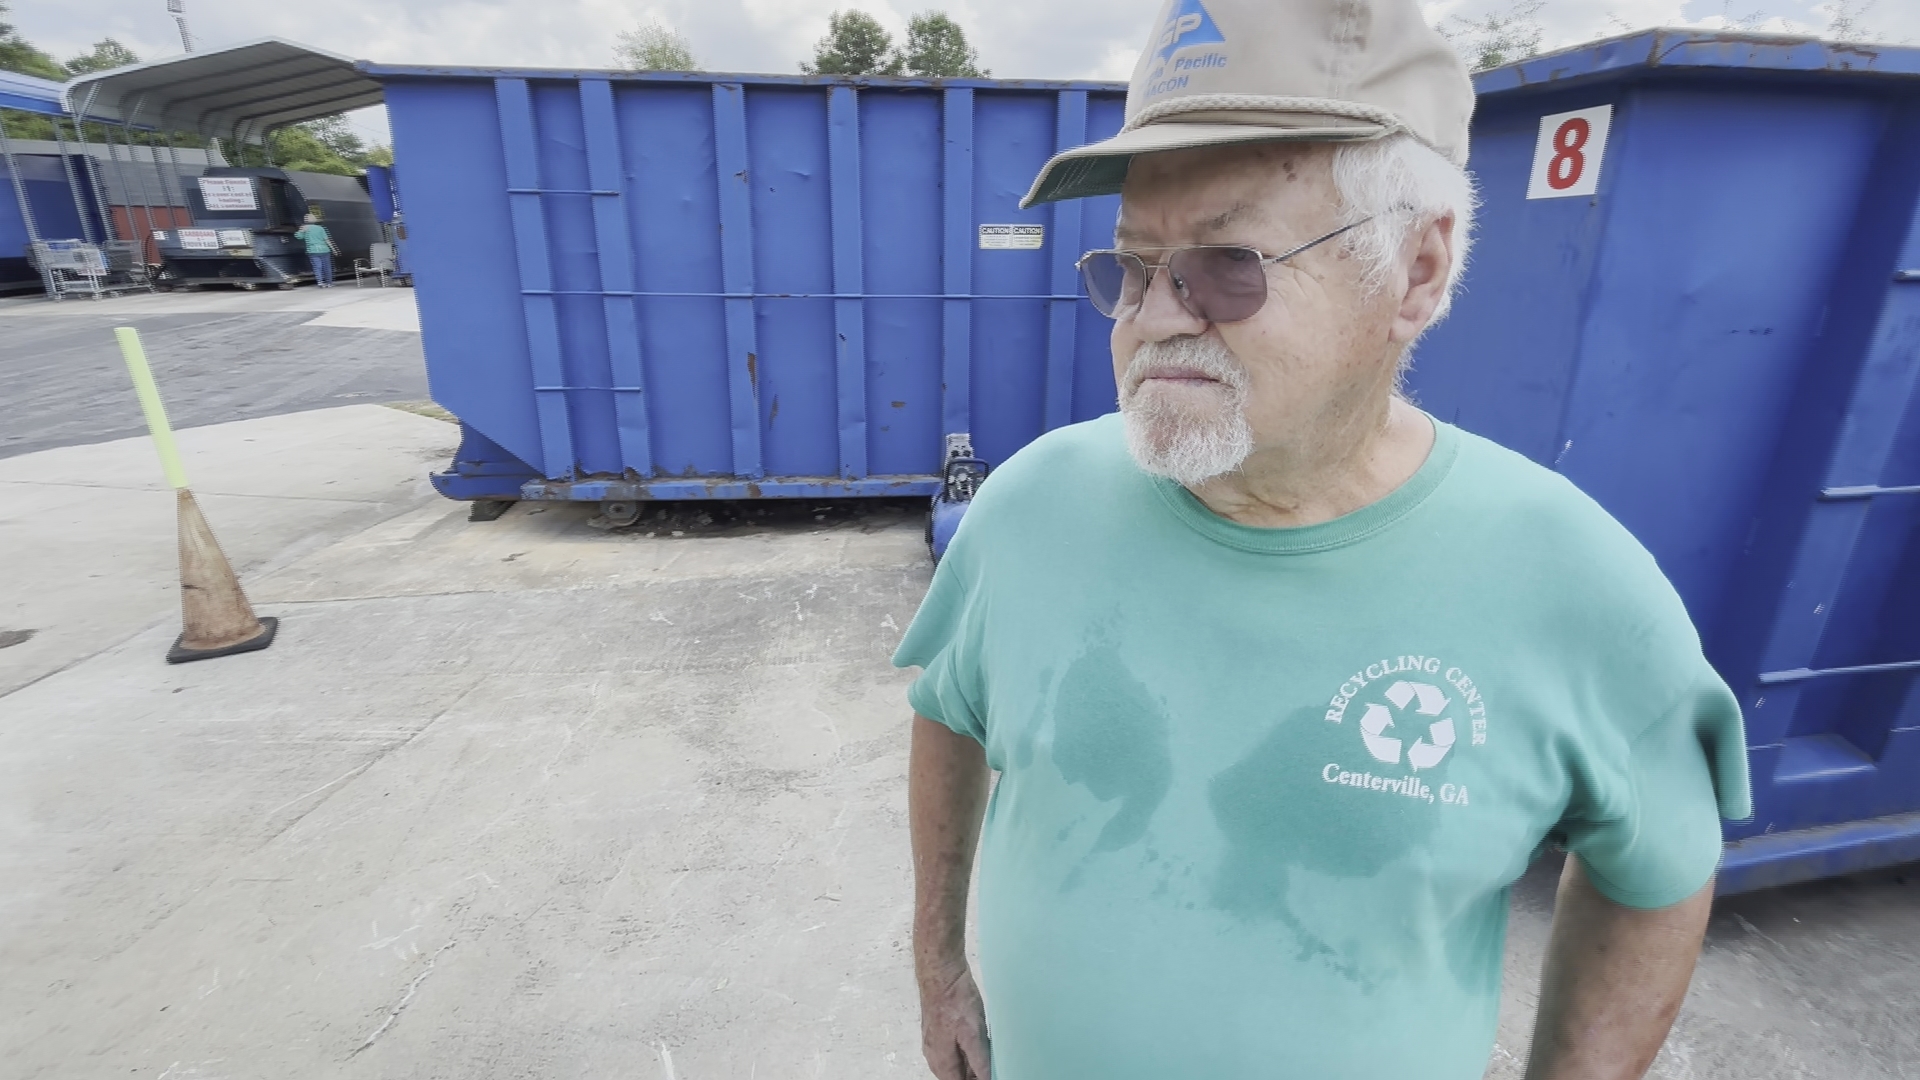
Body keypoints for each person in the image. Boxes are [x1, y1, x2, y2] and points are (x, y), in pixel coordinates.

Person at [894, 0, 1751, 1077]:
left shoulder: (1578, 591)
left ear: (1417, 272)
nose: (1156, 318)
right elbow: (948, 712)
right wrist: (937, 965)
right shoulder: (1030, 507)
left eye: (1226, 266)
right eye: (1133, 268)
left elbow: (1657, 874)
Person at [293, 213, 337, 288]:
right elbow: (326, 239)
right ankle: (329, 283)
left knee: (317, 267)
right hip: (324, 250)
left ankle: (320, 282)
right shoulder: (320, 228)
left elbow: (298, 237)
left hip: (313, 250)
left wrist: (301, 231)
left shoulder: (304, 228)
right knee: (327, 267)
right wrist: (333, 249)